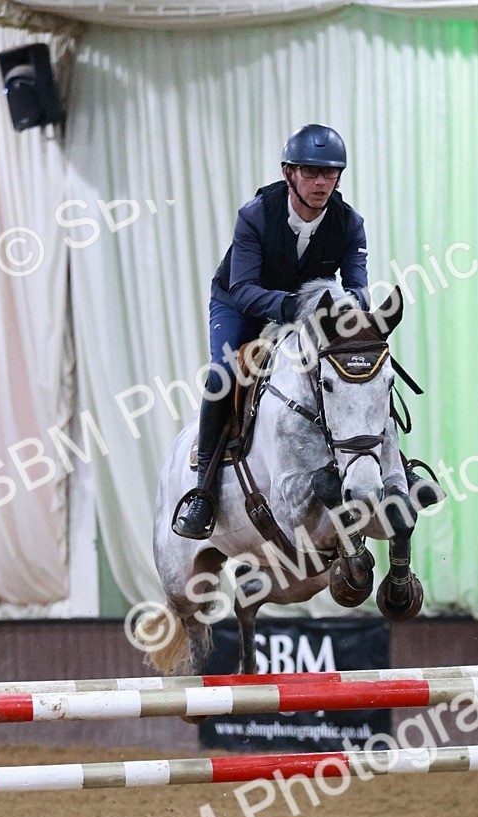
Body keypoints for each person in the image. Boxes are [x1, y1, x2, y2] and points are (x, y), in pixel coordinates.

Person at [173, 123, 370, 540]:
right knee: (222, 372)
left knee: (361, 365)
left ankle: (386, 467)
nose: (321, 183)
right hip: (241, 303)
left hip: (306, 311)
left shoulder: (350, 223)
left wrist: (347, 313)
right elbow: (244, 289)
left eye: (330, 173)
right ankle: (203, 492)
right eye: (310, 172)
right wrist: (296, 308)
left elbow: (359, 292)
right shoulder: (256, 215)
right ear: (288, 173)